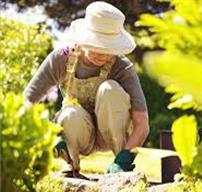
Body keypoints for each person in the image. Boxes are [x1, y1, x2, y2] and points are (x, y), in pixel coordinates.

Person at [24, 1, 149, 177]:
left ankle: (119, 168)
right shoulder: (62, 58)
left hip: (112, 135)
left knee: (109, 89)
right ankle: (71, 165)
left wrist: (126, 157)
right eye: (97, 46)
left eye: (109, 48)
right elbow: (28, 103)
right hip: (76, 132)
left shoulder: (122, 67)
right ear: (84, 40)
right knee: (69, 113)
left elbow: (142, 124)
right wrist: (48, 133)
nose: (103, 54)